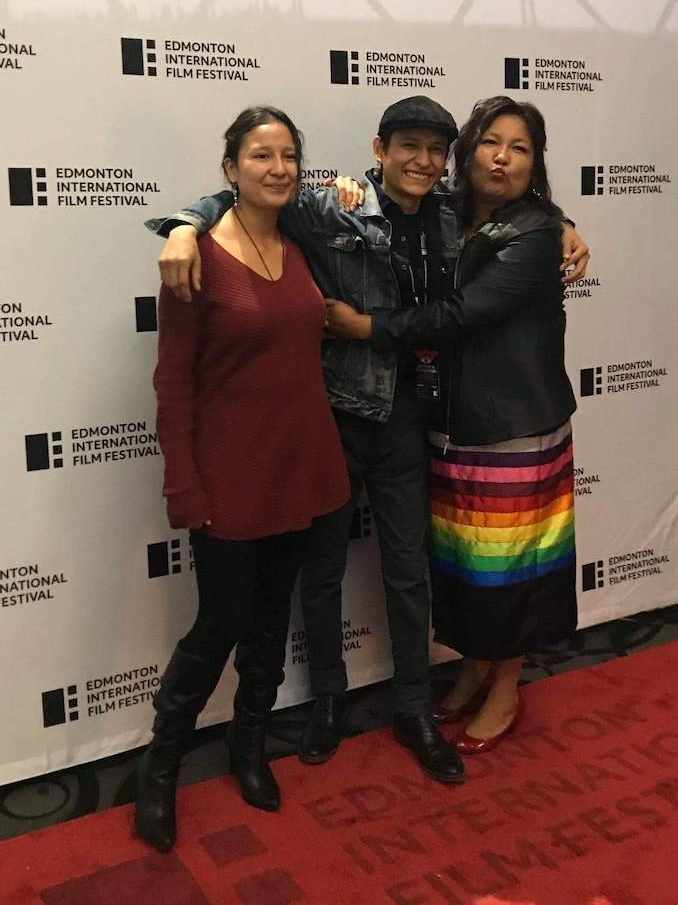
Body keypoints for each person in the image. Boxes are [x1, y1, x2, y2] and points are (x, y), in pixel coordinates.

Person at [146, 96, 588, 783]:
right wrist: (183, 224)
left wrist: (561, 222)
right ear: (379, 150)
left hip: (412, 416)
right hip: (334, 415)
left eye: (435, 150)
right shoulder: (336, 206)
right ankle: (327, 701)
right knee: (320, 573)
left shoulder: (451, 214)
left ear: (448, 161)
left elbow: (508, 213)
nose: (422, 161)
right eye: (407, 145)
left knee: (409, 570)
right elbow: (252, 195)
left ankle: (413, 704)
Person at [325, 96, 579, 754]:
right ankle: (473, 664)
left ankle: (507, 684)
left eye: (519, 148)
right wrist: (348, 184)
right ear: (466, 154)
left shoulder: (534, 231)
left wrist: (368, 328)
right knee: (468, 560)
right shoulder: (451, 212)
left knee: (515, 564)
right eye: (491, 142)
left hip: (516, 420)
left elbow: (464, 311)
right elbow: (393, 187)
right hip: (449, 421)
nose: (502, 157)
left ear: (535, 163)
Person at [135, 106, 350, 853]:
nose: (279, 168)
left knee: (268, 623)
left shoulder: (302, 244)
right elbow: (173, 386)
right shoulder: (192, 257)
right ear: (230, 169)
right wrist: (184, 488)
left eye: (290, 154)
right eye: (261, 155)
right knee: (217, 627)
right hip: (228, 481)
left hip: (305, 470)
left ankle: (249, 746)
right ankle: (159, 767)